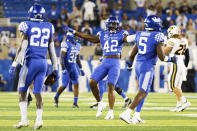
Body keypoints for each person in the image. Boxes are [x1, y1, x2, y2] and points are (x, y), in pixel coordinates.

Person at [63, 16, 136, 119]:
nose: (114, 26)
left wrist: (138, 35)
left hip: (115, 62)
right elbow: (90, 38)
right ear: (107, 25)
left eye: (115, 24)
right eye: (112, 24)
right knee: (92, 82)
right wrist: (75, 32)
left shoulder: (121, 33)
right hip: (105, 61)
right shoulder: (102, 34)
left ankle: (110, 111)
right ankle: (100, 103)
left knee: (111, 86)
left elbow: (128, 39)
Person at [119, 15, 177, 124]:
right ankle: (127, 113)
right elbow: (162, 57)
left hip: (138, 65)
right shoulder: (158, 35)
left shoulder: (140, 34)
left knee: (143, 91)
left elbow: (132, 54)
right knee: (142, 92)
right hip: (147, 66)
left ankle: (137, 115)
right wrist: (171, 59)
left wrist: (130, 65)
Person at [9, 4, 58, 129]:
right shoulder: (49, 26)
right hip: (43, 63)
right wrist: (55, 68)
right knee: (37, 92)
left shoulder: (27, 25)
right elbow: (52, 50)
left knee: (21, 91)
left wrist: (15, 63)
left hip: (31, 62)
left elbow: (23, 47)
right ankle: (39, 120)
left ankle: (24, 120)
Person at [54, 32, 85, 108]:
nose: (76, 38)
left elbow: (78, 58)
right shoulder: (65, 44)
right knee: (64, 85)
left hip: (73, 66)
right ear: (70, 37)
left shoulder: (77, 45)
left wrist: (81, 68)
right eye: (75, 37)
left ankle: (75, 103)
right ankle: (56, 96)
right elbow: (61, 57)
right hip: (67, 66)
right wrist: (63, 68)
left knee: (76, 84)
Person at [164, 25, 191, 112]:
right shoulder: (184, 40)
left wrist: (163, 44)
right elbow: (187, 54)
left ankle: (185, 101)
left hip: (175, 62)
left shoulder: (172, 40)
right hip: (181, 62)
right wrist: (186, 66)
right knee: (178, 86)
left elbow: (164, 52)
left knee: (172, 86)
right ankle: (179, 105)